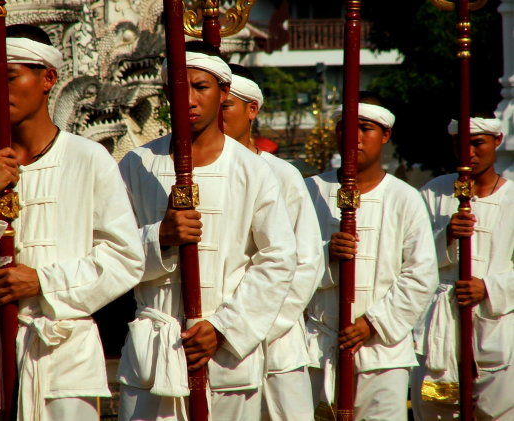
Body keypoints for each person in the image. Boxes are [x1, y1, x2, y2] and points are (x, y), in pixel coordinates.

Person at [0, 24, 145, 421]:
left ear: (48, 78)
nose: (0, 90)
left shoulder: (89, 158)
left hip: (63, 352)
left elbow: (125, 259)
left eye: (11, 77)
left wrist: (43, 282)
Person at [116, 41, 296, 421]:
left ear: (224, 92)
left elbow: (278, 259)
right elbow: (109, 251)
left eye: (201, 87)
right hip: (154, 347)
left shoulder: (253, 170)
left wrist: (223, 327)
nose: (189, 100)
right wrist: (159, 238)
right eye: (179, 89)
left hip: (227, 354)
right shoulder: (136, 164)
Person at [304, 92, 439, 420]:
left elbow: (421, 275)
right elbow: (284, 263)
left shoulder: (404, 198)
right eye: (345, 128)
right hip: (317, 348)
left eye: (365, 128)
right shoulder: (308, 191)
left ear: (385, 134)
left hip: (383, 355)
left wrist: (372, 324)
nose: (354, 137)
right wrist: (326, 257)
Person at [222, 63, 323, 420]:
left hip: (277, 338)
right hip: (221, 338)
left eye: (226, 105)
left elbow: (306, 261)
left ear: (252, 110)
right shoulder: (201, 174)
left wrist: (260, 322)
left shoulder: (283, 175)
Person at [412, 114, 514, 421]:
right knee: (435, 411)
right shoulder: (433, 192)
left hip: (496, 326)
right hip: (438, 325)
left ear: (497, 141)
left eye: (477, 142)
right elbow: (410, 259)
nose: (468, 152)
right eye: (460, 143)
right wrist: (446, 237)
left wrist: (488, 287)